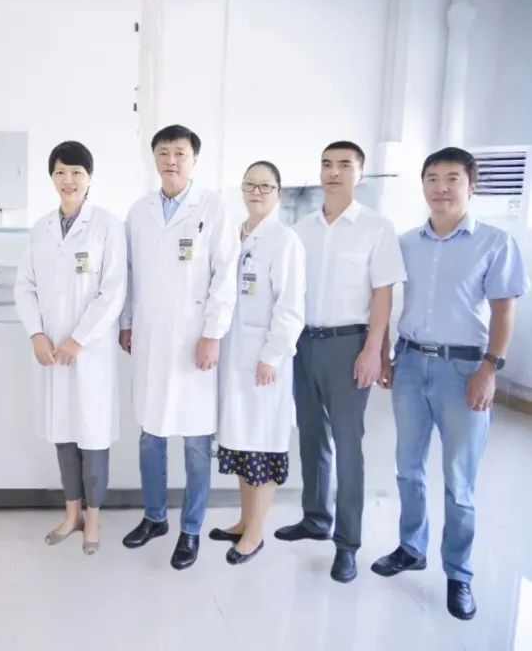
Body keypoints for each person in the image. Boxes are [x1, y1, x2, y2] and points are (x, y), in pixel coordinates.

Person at [372, 147, 529, 620]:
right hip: (409, 362)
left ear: (471, 185)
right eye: (432, 178)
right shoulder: (405, 242)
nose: (441, 187)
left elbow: (504, 312)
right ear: (422, 184)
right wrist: (385, 352)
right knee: (407, 467)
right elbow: (385, 301)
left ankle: (459, 574)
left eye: (452, 178)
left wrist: (490, 369)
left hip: (464, 370)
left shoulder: (495, 243)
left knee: (459, 481)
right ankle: (410, 547)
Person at [275, 140, 406, 583]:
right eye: (327, 164)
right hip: (304, 344)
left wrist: (374, 349)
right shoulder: (301, 229)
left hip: (349, 344)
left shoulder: (376, 227)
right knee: (312, 435)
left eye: (344, 165)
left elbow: (383, 294)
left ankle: (347, 543)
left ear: (359, 174)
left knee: (349, 446)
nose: (334, 172)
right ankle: (315, 518)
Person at [119, 124, 239, 570]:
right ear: (154, 158)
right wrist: (127, 323)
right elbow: (129, 275)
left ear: (194, 160)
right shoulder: (139, 212)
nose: (171, 160)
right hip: (151, 337)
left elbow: (225, 275)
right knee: (150, 434)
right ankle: (155, 517)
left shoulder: (214, 207)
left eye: (180, 153)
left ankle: (190, 529)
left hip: (194, 339)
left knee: (195, 440)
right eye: (164, 152)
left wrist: (213, 334)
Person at [14, 141, 127, 556]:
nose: (69, 180)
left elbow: (113, 291)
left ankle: (93, 518)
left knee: (92, 436)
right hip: (52, 352)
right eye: (61, 172)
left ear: (89, 177)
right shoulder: (41, 229)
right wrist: (36, 333)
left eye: (77, 172)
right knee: (63, 434)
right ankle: (71, 513)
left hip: (90, 353)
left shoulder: (107, 226)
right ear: (52, 178)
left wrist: (79, 339)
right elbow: (25, 286)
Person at [210, 161, 305, 565]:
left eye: (265, 186)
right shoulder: (237, 235)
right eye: (250, 185)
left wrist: (272, 355)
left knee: (263, 445)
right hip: (234, 359)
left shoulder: (284, 240)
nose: (256, 192)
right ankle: (244, 520)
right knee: (241, 443)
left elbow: (291, 307)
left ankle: (256, 533)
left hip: (264, 362)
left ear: (279, 193)